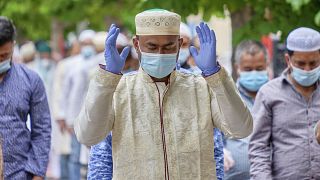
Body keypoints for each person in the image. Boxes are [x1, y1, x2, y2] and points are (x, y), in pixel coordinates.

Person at [75, 9, 252, 179]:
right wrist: (108, 79)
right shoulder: (118, 90)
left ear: (179, 44)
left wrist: (216, 75)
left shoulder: (201, 87)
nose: (160, 54)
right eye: (152, 47)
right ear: (137, 44)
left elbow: (241, 128)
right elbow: (88, 135)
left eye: (168, 47)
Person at [249, 27, 320, 179]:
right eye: (301, 64)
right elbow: (258, 148)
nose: (307, 69)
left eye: (313, 64)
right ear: (288, 60)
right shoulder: (269, 94)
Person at [0, 16, 51, 179]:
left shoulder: (31, 80)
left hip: (19, 173)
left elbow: (42, 129)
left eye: (3, 55)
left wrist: (37, 173)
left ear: (13, 47)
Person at [223, 40, 269, 180]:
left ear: (267, 65)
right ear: (238, 68)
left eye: (260, 68)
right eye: (248, 69)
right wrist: (220, 150)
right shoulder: (226, 97)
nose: (254, 73)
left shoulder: (277, 96)